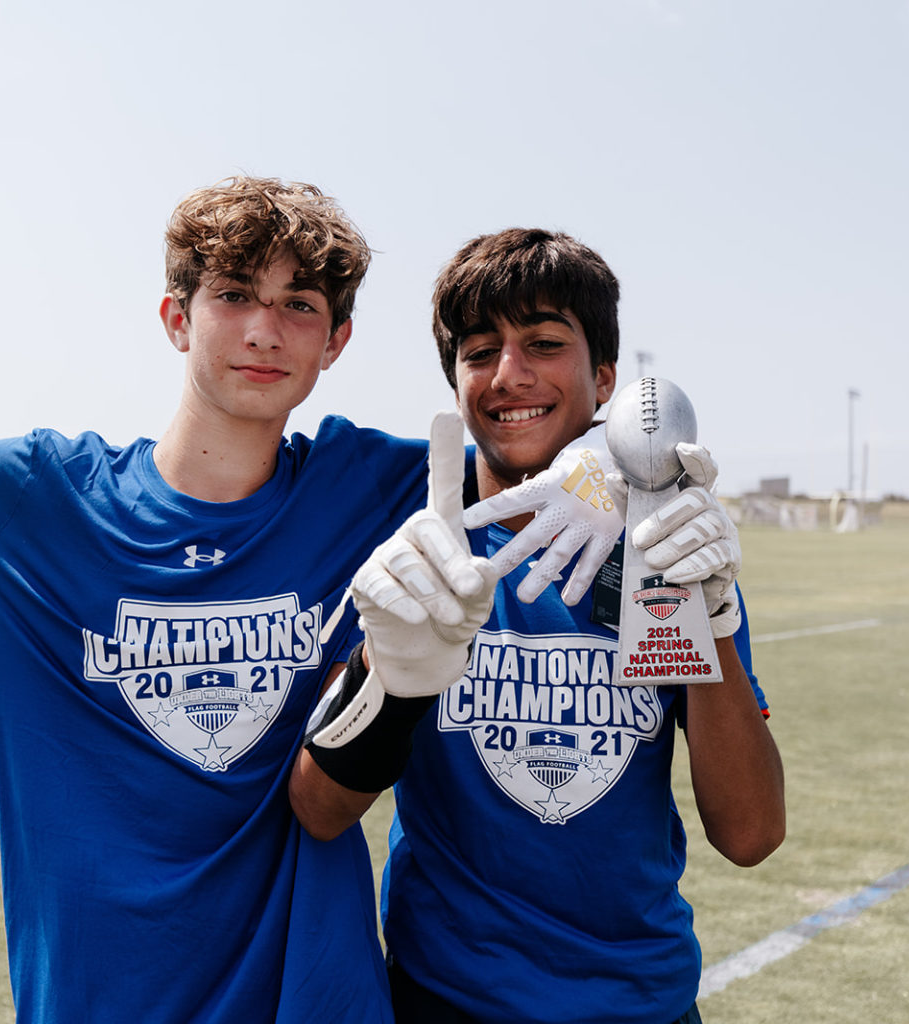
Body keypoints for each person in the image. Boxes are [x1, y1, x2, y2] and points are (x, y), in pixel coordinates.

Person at [0, 176, 459, 1023]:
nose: (265, 329)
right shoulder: (30, 500)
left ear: (335, 342)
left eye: (299, 304)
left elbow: (542, 458)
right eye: (233, 295)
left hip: (312, 1002)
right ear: (176, 318)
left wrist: (641, 466)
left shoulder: (365, 486)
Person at [290, 228, 787, 1024]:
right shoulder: (414, 530)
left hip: (640, 1002)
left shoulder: (659, 550)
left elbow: (752, 832)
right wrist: (388, 673)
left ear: (605, 379)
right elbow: (318, 811)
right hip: (445, 997)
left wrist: (711, 615)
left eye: (544, 343)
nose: (508, 375)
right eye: (479, 350)